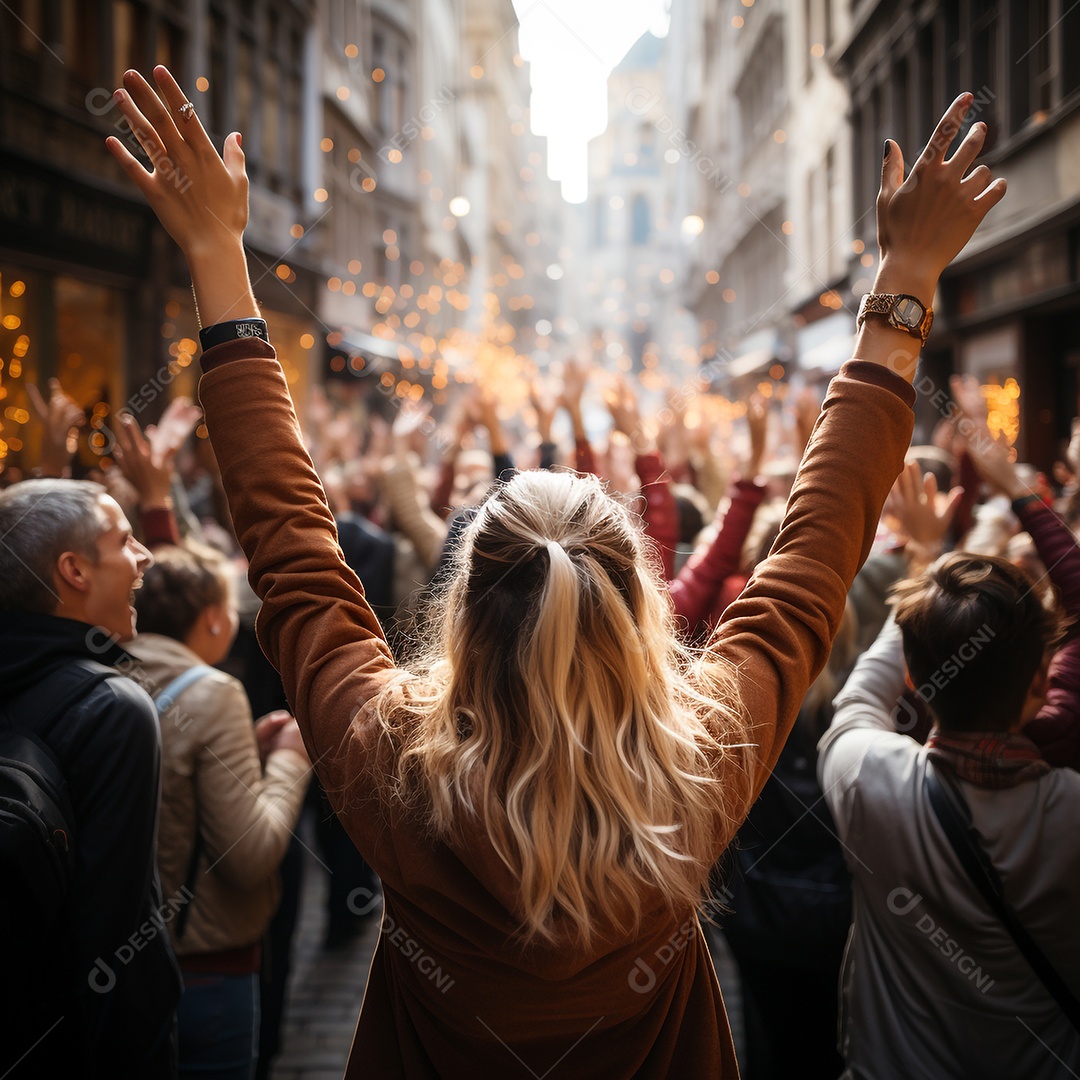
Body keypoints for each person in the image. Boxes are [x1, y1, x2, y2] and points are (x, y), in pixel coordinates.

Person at [107, 66, 1004, 1077]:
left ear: (462, 611)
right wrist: (906, 280)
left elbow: (288, 549)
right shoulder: (700, 758)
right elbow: (819, 552)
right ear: (636, 609)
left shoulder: (395, 761)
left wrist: (217, 262)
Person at [819, 422, 1080, 1077]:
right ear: (1040, 685)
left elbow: (860, 697)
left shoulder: (868, 778)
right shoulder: (1071, 809)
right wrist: (1019, 491)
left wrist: (929, 560)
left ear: (913, 674)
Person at [0, 479, 181, 1077]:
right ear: (74, 570)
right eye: (126, 540)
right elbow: (117, 945)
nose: (145, 556)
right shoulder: (112, 709)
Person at [128, 541, 311, 1080]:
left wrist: (246, 756)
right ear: (211, 620)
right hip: (205, 964)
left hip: (127, 963)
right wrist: (288, 762)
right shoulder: (214, 693)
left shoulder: (107, 671)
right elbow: (249, 855)